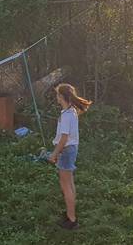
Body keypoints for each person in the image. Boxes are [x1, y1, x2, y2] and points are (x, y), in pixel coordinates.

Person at [48, 83, 91, 230]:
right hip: (71, 150)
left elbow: (64, 138)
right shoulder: (71, 111)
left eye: (58, 95)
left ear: (62, 96)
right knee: (69, 183)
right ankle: (70, 213)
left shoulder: (67, 115)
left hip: (66, 151)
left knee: (66, 186)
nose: (57, 97)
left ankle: (72, 220)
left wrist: (54, 153)